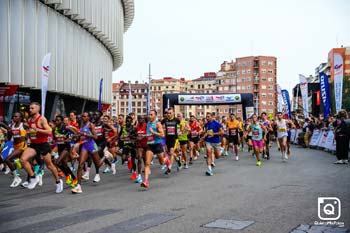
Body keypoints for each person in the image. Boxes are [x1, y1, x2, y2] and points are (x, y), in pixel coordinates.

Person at [20, 102, 63, 193]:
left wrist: (37, 129)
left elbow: (49, 131)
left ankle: (58, 182)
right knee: (23, 160)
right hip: (33, 145)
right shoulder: (29, 119)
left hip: (43, 145)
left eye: (32, 108)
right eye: (30, 108)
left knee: (50, 166)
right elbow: (30, 130)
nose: (30, 110)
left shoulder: (42, 119)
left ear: (38, 109)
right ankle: (33, 177)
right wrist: (28, 131)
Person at [141, 110, 165, 189]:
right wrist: (145, 136)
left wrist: (154, 133)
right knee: (147, 163)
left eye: (151, 115)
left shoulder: (158, 124)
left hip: (157, 145)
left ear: (155, 115)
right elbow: (149, 134)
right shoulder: (148, 124)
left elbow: (162, 135)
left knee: (162, 162)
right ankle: (146, 181)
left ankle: (166, 161)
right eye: (149, 114)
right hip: (150, 145)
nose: (149, 116)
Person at [161, 107, 181, 175]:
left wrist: (180, 131)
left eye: (170, 113)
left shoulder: (176, 120)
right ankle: (178, 160)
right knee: (170, 153)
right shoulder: (165, 120)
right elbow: (159, 126)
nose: (168, 114)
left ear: (173, 113)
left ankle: (169, 168)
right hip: (167, 139)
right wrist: (161, 132)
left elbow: (182, 125)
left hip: (174, 139)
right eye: (168, 113)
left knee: (172, 152)